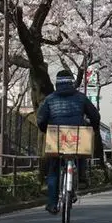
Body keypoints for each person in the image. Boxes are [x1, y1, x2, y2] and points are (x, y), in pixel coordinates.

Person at [36, 70, 100, 214]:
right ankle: (82, 178)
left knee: (53, 170)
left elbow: (40, 120)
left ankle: (52, 204)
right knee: (81, 153)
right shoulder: (81, 98)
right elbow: (95, 116)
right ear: (71, 82)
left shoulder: (50, 99)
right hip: (77, 134)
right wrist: (93, 128)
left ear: (57, 83)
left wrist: (46, 130)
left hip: (57, 136)